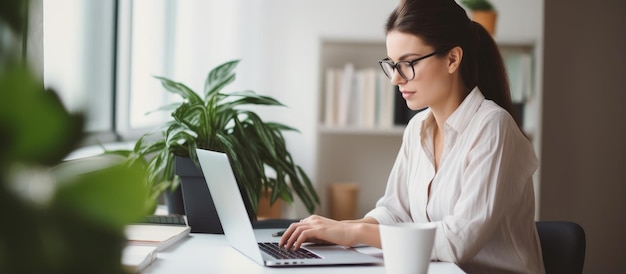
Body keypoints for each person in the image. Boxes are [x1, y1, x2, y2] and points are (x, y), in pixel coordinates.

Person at [279, 0, 545, 273]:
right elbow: (395, 212)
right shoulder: (418, 128)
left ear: (453, 59)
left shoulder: (493, 127)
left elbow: (457, 241)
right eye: (392, 65)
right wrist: (335, 228)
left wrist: (354, 233)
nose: (396, 79)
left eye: (408, 63)